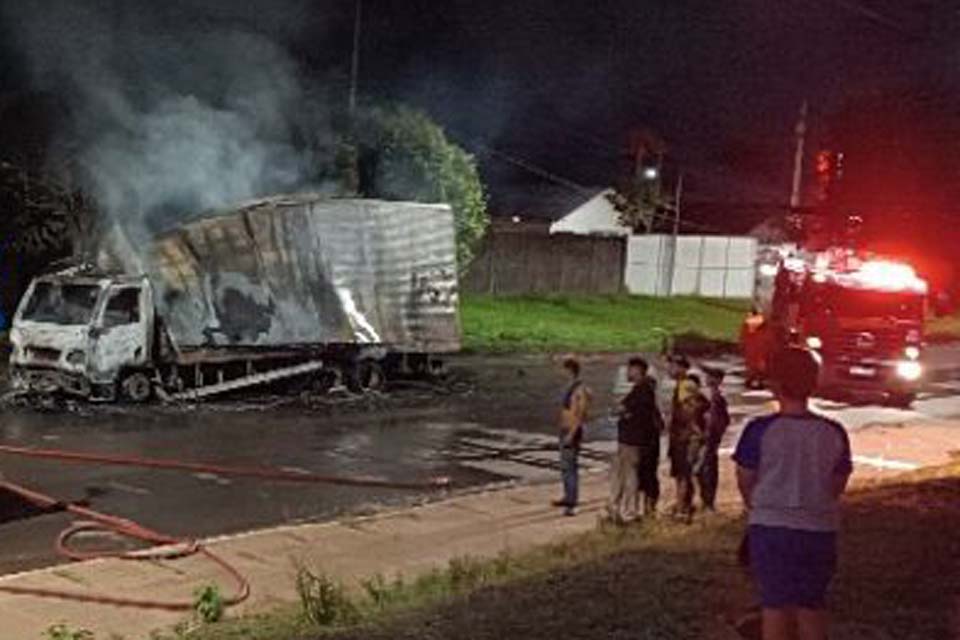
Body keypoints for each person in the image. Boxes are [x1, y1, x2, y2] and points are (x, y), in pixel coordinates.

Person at [733, 348, 853, 640]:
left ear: (774, 383)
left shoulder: (759, 430)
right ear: (814, 383)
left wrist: (759, 505)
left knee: (774, 605)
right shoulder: (833, 432)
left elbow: (746, 480)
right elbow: (837, 484)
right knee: (812, 605)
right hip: (819, 529)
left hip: (771, 528)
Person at [607, 357, 662, 524]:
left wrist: (621, 412)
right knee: (625, 474)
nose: (627, 373)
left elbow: (620, 409)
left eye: (629, 369)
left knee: (630, 476)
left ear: (637, 370)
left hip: (632, 440)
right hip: (634, 440)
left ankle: (629, 510)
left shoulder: (641, 391)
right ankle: (622, 508)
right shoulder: (643, 391)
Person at [667, 355, 708, 523]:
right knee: (682, 473)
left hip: (683, 436)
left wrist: (693, 430)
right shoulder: (685, 385)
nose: (670, 370)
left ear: (682, 368)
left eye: (673, 366)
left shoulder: (685, 385)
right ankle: (682, 505)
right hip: (682, 434)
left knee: (682, 473)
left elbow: (689, 409)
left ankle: (681, 508)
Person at [553, 357, 591, 517]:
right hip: (565, 429)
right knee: (565, 466)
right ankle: (568, 496)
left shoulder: (579, 390)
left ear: (569, 370)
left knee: (570, 467)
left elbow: (580, 414)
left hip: (572, 431)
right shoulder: (570, 388)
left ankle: (572, 502)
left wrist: (571, 433)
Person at [695, 366, 731, 512]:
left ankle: (708, 502)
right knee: (703, 469)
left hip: (710, 439)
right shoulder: (712, 398)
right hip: (708, 438)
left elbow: (722, 421)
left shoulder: (718, 399)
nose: (707, 379)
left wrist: (713, 434)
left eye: (710, 376)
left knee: (706, 469)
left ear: (717, 380)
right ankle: (707, 501)